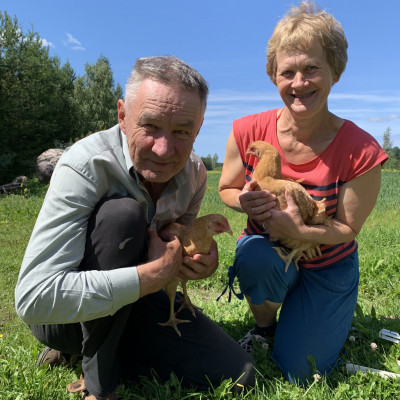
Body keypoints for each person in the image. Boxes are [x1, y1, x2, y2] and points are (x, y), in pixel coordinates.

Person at [15, 56, 255, 399]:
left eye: (182, 131)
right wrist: (153, 275)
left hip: (133, 303)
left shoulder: (195, 174)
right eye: (150, 126)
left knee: (237, 373)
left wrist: (196, 262)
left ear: (199, 127)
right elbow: (34, 300)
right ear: (123, 116)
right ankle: (98, 381)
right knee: (121, 217)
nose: (164, 148)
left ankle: (100, 348)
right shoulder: (85, 165)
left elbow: (175, 244)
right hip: (63, 317)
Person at [218, 1, 388, 384]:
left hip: (329, 262)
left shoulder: (361, 150)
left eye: (312, 68)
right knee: (255, 255)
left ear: (335, 72)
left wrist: (301, 233)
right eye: (287, 71)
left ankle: (315, 307)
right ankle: (265, 326)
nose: (299, 82)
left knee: (300, 370)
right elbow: (226, 188)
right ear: (272, 75)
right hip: (270, 251)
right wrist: (242, 200)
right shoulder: (247, 130)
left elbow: (346, 228)